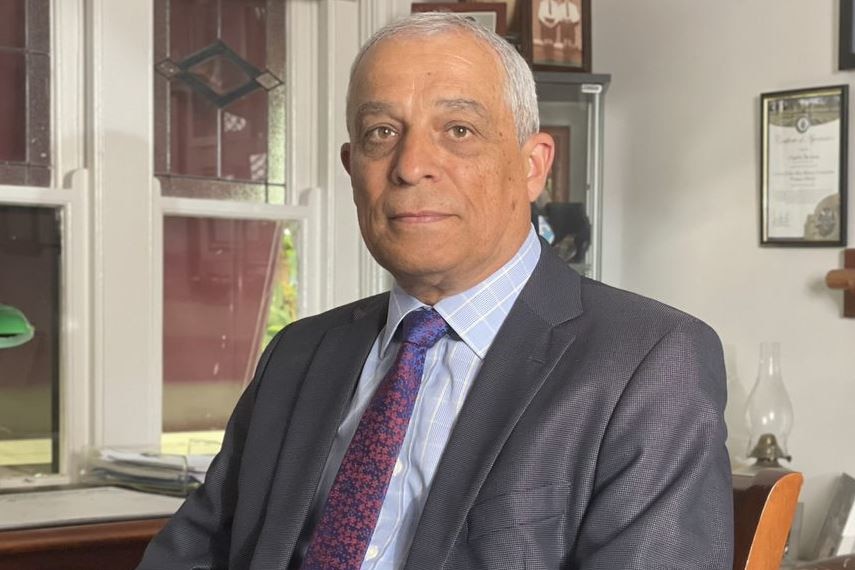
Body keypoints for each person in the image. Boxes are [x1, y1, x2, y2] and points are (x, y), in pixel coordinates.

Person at [139, 12, 733, 570]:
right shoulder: (299, 353)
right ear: (353, 169)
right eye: (381, 133)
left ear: (532, 165)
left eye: (458, 129)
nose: (411, 164)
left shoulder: (650, 361)